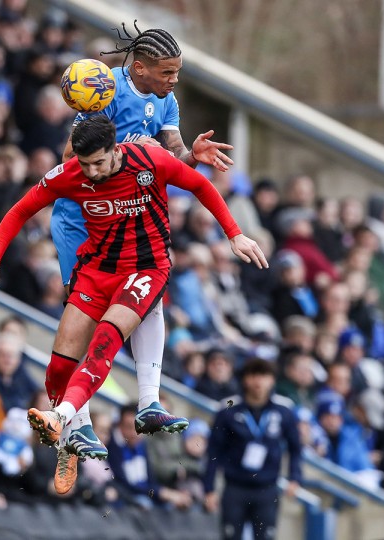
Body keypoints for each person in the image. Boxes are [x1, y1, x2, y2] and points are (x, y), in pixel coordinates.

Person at [0, 116, 267, 493]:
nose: (91, 172)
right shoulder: (70, 174)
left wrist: (234, 234)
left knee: (105, 339)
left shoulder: (148, 160)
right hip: (96, 271)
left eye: (98, 163)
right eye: (84, 163)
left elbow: (200, 185)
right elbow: (20, 210)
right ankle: (72, 440)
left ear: (114, 150)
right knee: (58, 369)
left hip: (145, 268)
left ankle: (67, 415)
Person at [50, 24, 232, 470]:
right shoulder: (105, 90)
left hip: (130, 220)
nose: (174, 80)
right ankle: (76, 424)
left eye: (177, 71)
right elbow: (73, 158)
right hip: (83, 221)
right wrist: (129, 149)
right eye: (167, 72)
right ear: (139, 68)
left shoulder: (167, 100)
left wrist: (193, 156)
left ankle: (149, 401)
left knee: (148, 300)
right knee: (86, 319)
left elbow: (173, 157)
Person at [203, 359, 302, 540]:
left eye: (264, 375)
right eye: (253, 375)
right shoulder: (228, 409)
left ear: (272, 380)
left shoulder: (284, 410)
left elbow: (295, 448)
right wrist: (209, 488)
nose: (258, 381)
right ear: (245, 379)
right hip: (235, 486)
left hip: (267, 488)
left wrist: (294, 477)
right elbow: (213, 451)